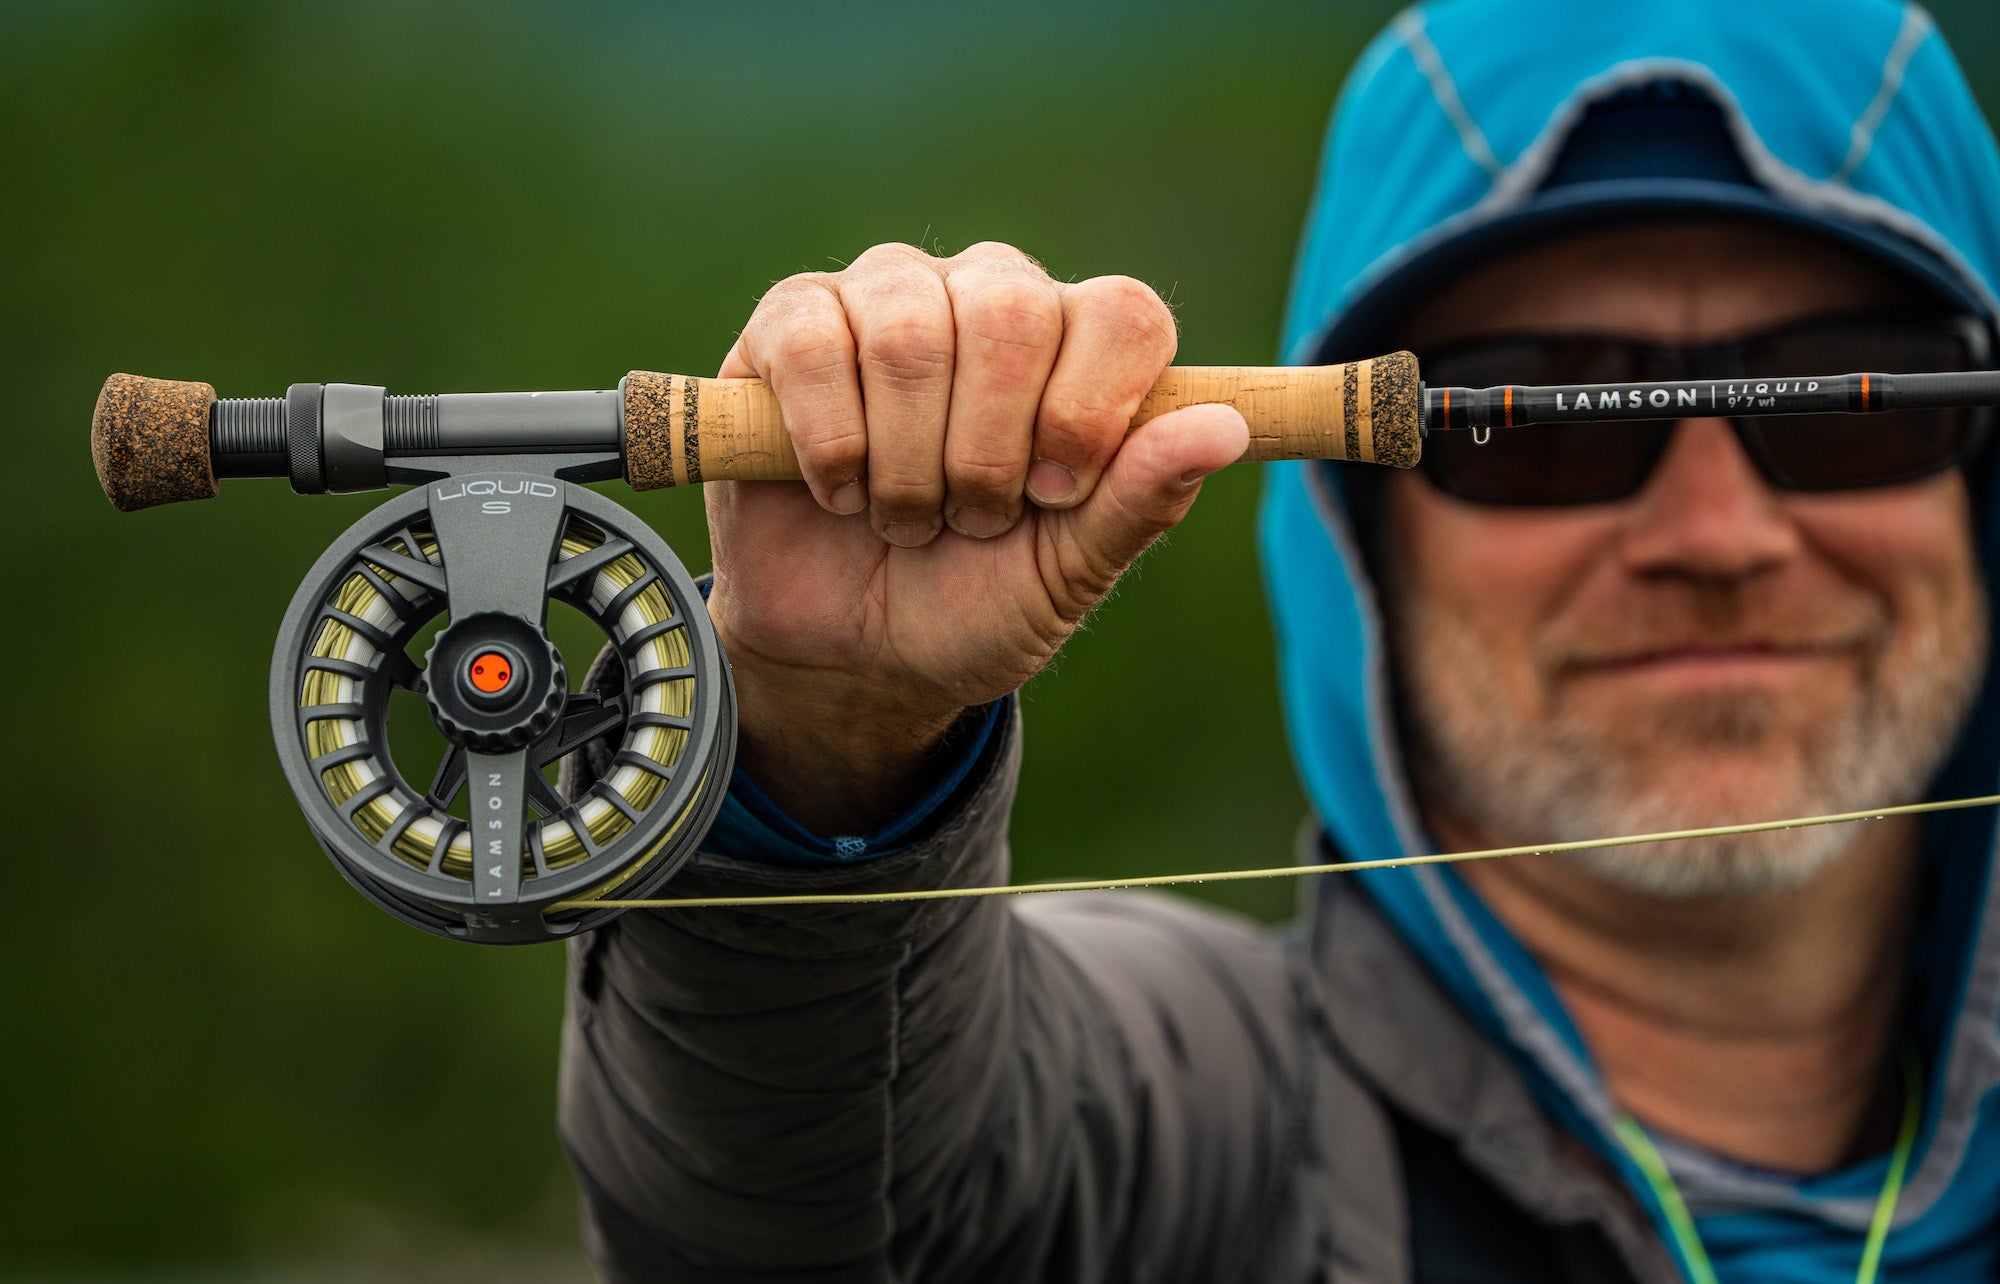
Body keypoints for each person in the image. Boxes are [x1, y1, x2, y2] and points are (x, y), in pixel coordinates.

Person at [558, 1, 2000, 1279]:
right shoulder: (1184, 1125)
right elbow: (822, 1221)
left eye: (1846, 407)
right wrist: (830, 726)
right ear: (1357, 543)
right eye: (1541, 417)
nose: (1718, 532)